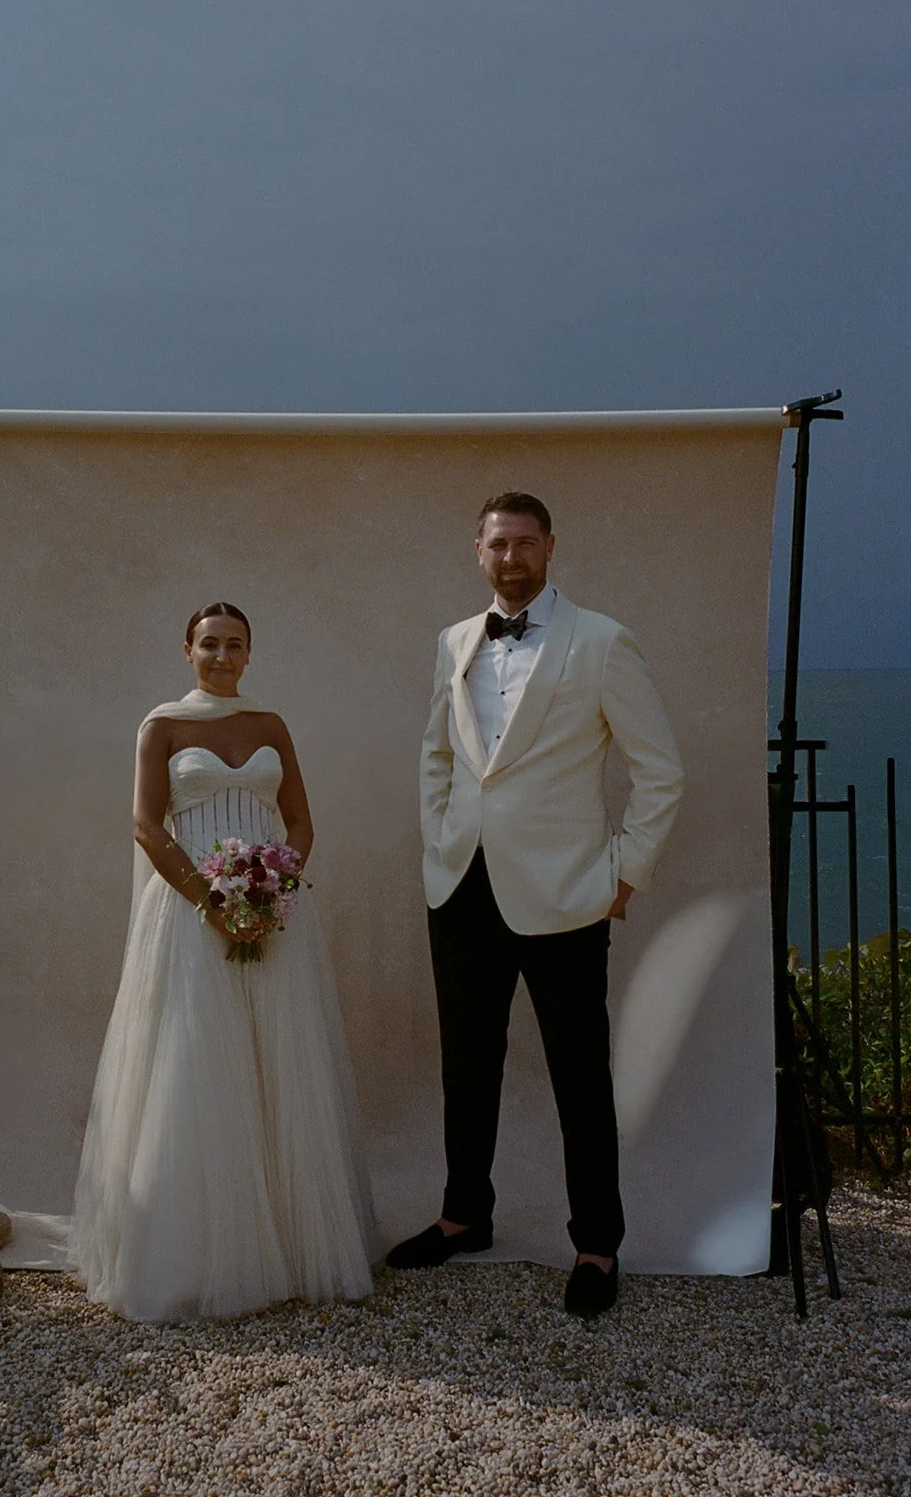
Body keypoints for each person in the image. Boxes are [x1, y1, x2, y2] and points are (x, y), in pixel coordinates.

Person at [387, 494, 684, 1315]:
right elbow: (437, 754)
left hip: (566, 894)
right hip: (462, 886)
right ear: (478, 551)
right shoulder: (455, 640)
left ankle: (597, 1245)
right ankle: (463, 1216)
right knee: (466, 1065)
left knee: (580, 1075)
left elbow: (660, 769)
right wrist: (439, 844)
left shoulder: (602, 641)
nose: (511, 557)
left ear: (550, 546)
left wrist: (624, 875)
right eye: (498, 544)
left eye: (524, 543)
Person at [70, 602, 375, 1322]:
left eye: (235, 645)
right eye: (209, 644)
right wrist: (213, 901)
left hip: (271, 912)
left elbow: (299, 819)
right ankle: (193, 1259)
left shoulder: (271, 725)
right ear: (187, 650)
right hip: (189, 912)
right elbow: (147, 824)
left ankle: (290, 1248)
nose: (222, 656)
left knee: (280, 1068)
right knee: (198, 1070)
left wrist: (274, 888)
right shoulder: (162, 725)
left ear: (249, 654)